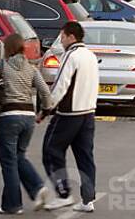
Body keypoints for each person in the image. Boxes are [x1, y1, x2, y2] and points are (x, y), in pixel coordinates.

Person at [0, 34, 54, 214]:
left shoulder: (1, 66)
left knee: (9, 162)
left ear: (7, 48)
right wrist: (45, 110)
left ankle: (13, 205)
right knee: (19, 156)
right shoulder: (31, 68)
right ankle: (38, 188)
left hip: (8, 116)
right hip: (28, 117)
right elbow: (45, 91)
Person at [41, 22, 99, 212]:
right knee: (85, 157)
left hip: (68, 114)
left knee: (51, 151)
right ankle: (87, 199)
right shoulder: (90, 56)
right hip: (88, 112)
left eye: (63, 37)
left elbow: (60, 85)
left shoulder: (71, 55)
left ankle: (62, 194)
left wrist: (46, 109)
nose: (62, 41)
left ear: (71, 37)